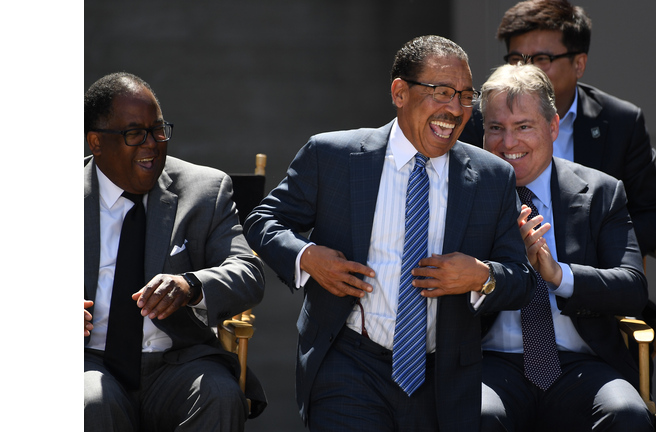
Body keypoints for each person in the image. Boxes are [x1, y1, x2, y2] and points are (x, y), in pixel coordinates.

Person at [244, 35, 536, 432]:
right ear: (400, 92)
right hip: (348, 362)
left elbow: (520, 280)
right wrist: (307, 257)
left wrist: (481, 276)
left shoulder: (490, 176)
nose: (455, 109)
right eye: (442, 92)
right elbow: (264, 221)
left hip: (442, 377)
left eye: (467, 96)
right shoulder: (334, 156)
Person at [84, 72, 267, 432]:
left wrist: (191, 285)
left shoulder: (205, 191)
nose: (152, 144)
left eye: (158, 129)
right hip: (90, 360)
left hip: (178, 362)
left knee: (220, 395)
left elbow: (248, 271)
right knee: (91, 401)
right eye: (134, 133)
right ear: (97, 142)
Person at [479, 63, 656, 431]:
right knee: (476, 416)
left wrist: (559, 275)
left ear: (553, 126)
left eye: (523, 126)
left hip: (579, 362)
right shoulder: (466, 193)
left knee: (626, 414)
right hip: (491, 361)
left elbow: (632, 287)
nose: (508, 143)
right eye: (496, 128)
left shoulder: (601, 192)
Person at [459, 0, 656, 257]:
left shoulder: (620, 122)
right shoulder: (479, 119)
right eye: (517, 59)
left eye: (542, 58)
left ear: (579, 64)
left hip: (589, 283)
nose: (527, 70)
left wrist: (587, 249)